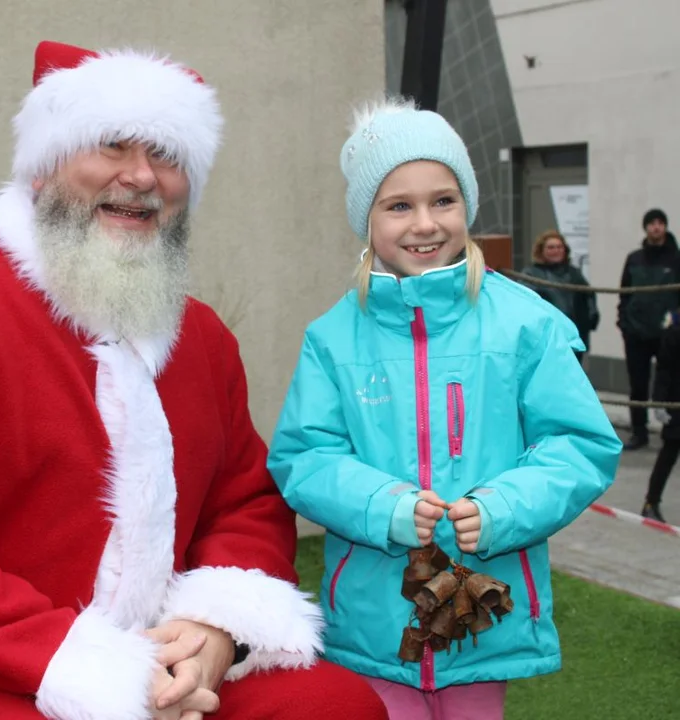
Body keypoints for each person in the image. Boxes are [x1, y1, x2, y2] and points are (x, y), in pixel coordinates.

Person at [0, 41, 388, 720]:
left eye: (166, 156)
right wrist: (96, 670)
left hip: (158, 650)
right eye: (111, 146)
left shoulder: (200, 336)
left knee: (333, 706)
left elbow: (243, 503)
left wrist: (212, 631)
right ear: (44, 166)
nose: (141, 177)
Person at [267, 98, 622, 719]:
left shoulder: (526, 325)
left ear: (468, 207)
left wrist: (503, 509)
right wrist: (386, 507)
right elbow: (305, 456)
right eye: (398, 205)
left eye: (443, 201)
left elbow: (579, 444)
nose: (424, 223)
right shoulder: (332, 337)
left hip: (486, 613)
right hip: (375, 619)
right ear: (366, 219)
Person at [617, 208, 680, 450]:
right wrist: (624, 323)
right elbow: (624, 294)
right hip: (637, 334)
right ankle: (639, 431)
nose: (656, 227)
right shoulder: (634, 259)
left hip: (669, 335)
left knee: (672, 384)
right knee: (638, 385)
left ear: (665, 226)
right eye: (651, 223)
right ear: (645, 228)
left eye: (660, 223)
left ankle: (673, 431)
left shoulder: (676, 258)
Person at [519, 230, 598, 362]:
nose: (556, 250)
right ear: (541, 250)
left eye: (559, 247)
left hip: (574, 336)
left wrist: (590, 319)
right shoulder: (531, 274)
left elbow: (588, 296)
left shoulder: (574, 273)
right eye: (551, 247)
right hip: (547, 339)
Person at [642, 309, 680, 523]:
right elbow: (664, 369)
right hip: (676, 402)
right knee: (669, 453)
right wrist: (659, 402)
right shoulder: (674, 332)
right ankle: (651, 502)